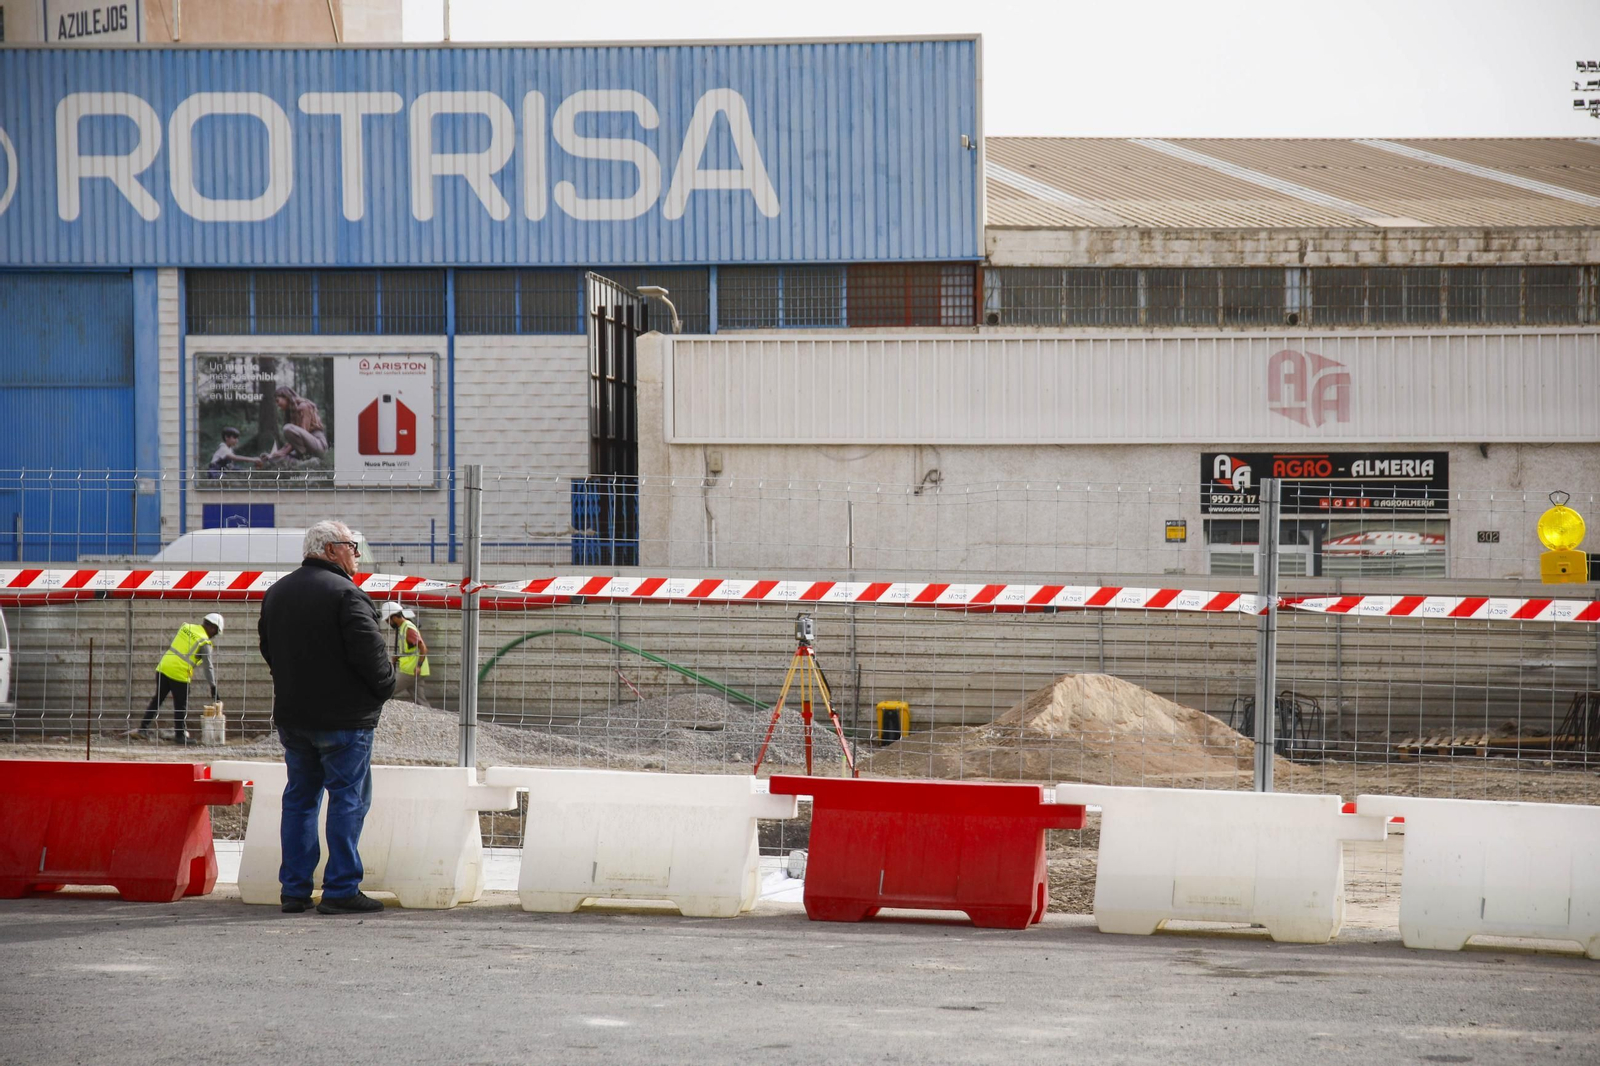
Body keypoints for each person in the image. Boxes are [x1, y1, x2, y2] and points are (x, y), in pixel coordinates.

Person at [259, 520, 396, 915]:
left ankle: (294, 891)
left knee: (300, 800)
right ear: (333, 549)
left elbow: (269, 651)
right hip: (346, 722)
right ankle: (340, 890)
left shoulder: (277, 593)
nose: (356, 554)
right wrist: (384, 689)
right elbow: (374, 663)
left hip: (293, 718)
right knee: (347, 800)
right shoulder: (348, 596)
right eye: (353, 546)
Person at [139, 614, 223, 745]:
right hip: (179, 673)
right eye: (216, 633)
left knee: (157, 699)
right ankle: (180, 735)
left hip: (163, 667)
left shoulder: (186, 627)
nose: (214, 636)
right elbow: (208, 667)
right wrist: (213, 686)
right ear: (212, 627)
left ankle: (142, 729)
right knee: (180, 705)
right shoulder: (204, 642)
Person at [380, 601, 431, 707]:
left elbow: (423, 648)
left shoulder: (408, 628)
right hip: (412, 669)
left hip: (410, 670)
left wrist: (418, 666)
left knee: (388, 691)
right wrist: (399, 656)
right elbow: (410, 650)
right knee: (420, 700)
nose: (388, 623)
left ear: (393, 617)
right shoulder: (404, 627)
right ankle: (432, 719)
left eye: (388, 620)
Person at [262, 385, 327, 462]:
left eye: (277, 400)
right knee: (273, 459)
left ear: (286, 397)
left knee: (288, 428)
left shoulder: (304, 406)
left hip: (318, 445)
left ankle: (306, 457)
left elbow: (303, 432)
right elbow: (293, 441)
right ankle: (305, 463)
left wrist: (284, 452)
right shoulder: (290, 412)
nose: (277, 404)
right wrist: (275, 454)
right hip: (303, 448)